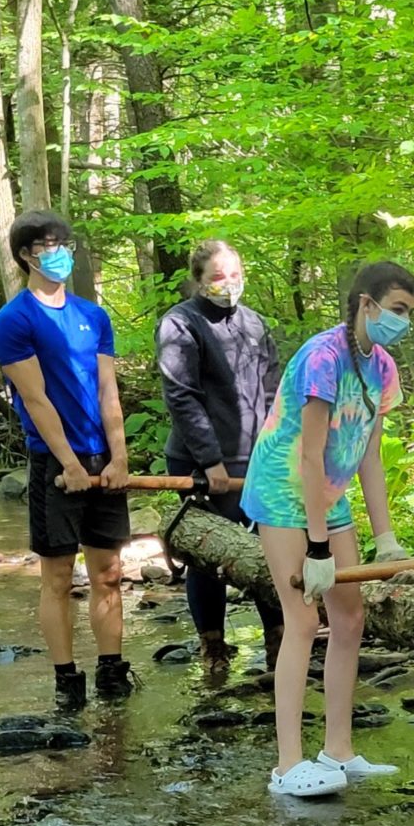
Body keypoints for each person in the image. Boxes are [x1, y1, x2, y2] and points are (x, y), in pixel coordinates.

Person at [240, 261, 414, 798]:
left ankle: (337, 749)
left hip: (329, 497)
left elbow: (368, 456)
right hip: (282, 490)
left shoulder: (382, 369)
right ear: (367, 305)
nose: (403, 321)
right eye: (397, 310)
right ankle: (287, 765)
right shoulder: (323, 358)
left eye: (410, 312)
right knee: (301, 617)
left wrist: (384, 536)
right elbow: (311, 456)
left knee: (350, 614)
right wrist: (317, 545)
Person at [0, 210, 134, 712]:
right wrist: (69, 463)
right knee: (56, 577)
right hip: (54, 462)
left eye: (65, 243)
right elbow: (36, 399)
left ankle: (112, 670)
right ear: (27, 254)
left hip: (102, 457)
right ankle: (67, 680)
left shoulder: (94, 316)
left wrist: (118, 456)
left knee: (109, 571)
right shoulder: (13, 322)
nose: (60, 252)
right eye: (49, 244)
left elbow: (107, 390)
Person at [157, 240, 283, 677]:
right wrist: (210, 460)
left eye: (233, 274)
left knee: (270, 552)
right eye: (217, 277)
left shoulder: (254, 324)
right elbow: (182, 396)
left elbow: (273, 392)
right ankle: (213, 649)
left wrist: (276, 452)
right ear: (198, 280)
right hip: (199, 463)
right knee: (207, 555)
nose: (228, 284)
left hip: (258, 458)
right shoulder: (180, 324)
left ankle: (279, 645)